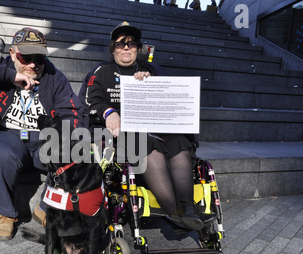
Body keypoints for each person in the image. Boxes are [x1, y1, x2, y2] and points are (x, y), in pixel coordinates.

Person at [79, 22, 215, 231]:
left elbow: (174, 96)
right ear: (112, 48)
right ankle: (174, 211)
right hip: (121, 134)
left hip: (155, 128)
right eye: (120, 44)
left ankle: (187, 209)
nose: (126, 47)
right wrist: (109, 112)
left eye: (131, 44)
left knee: (179, 141)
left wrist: (153, 84)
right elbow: (90, 102)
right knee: (147, 143)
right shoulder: (101, 72)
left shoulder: (152, 70)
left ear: (138, 48)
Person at [0, 27, 83, 240]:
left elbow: (71, 111)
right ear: (13, 53)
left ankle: (46, 206)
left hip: (44, 138)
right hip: (10, 135)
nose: (33, 64)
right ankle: (6, 214)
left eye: (39, 58)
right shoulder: (1, 67)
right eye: (26, 57)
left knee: (74, 148)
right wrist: (11, 76)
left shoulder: (54, 76)